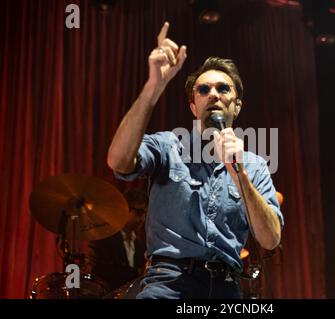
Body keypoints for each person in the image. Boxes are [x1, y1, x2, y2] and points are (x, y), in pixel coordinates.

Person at [107, 22, 284, 299]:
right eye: (203, 90)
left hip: (227, 287)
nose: (213, 94)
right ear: (193, 106)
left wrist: (238, 174)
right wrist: (154, 87)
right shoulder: (168, 146)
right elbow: (118, 161)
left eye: (223, 89)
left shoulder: (253, 165)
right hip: (168, 283)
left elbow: (270, 238)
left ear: (236, 105)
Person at [88, 189, 147, 292]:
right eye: (139, 213)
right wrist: (138, 272)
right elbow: (103, 272)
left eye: (145, 214)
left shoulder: (140, 245)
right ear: (125, 210)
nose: (142, 219)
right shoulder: (104, 239)